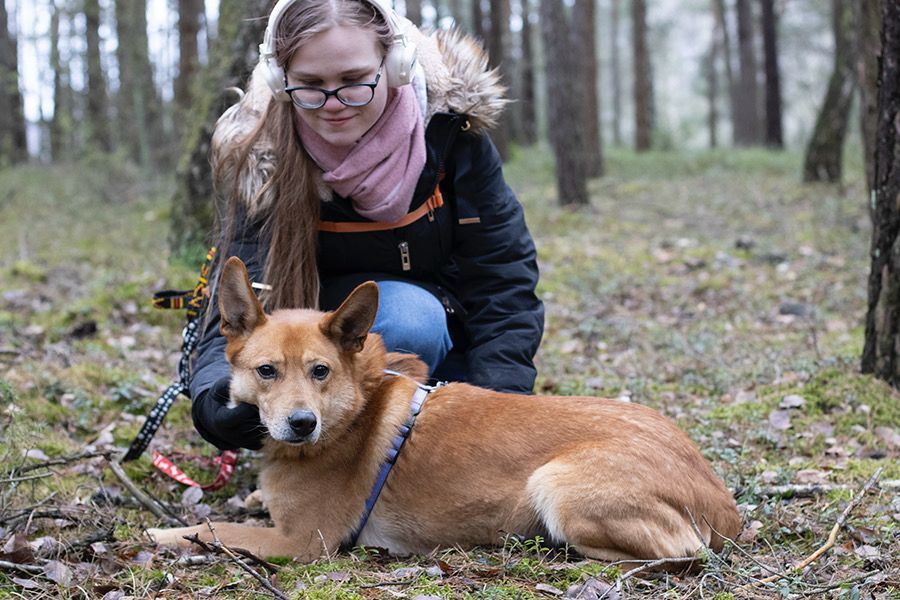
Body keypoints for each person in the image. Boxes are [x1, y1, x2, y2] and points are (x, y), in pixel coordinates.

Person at [190, 0, 544, 451]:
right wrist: (214, 401)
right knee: (410, 318)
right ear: (281, 83)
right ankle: (330, 451)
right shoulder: (261, 159)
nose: (333, 103)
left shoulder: (454, 136)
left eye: (355, 81)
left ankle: (376, 446)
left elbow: (504, 283)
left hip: (448, 342)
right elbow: (238, 313)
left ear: (394, 66)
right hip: (306, 361)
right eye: (311, 85)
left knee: (415, 321)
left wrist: (503, 405)